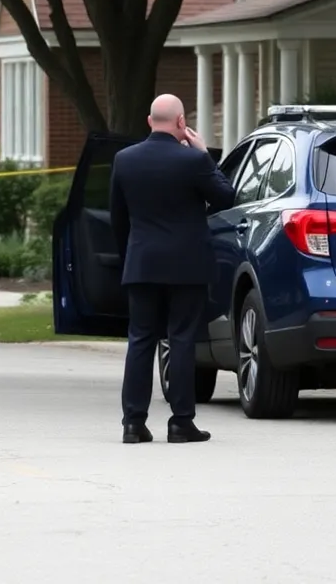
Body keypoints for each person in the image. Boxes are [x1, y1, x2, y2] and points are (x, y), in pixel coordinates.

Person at [109, 94, 236, 444]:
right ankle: (181, 422)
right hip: (187, 266)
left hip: (142, 263)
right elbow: (226, 197)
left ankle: (133, 423)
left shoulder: (124, 160)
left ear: (150, 121)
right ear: (182, 123)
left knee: (140, 340)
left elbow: (118, 218)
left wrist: (130, 258)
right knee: (181, 340)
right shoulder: (192, 161)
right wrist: (204, 153)